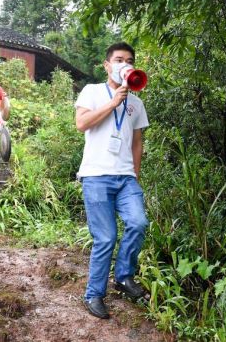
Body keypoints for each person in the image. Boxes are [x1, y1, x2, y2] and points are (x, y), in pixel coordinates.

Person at [75, 42, 150, 319]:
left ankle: (123, 276)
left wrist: (135, 177)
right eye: (118, 59)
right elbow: (81, 123)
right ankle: (94, 294)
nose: (124, 64)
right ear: (107, 65)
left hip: (126, 179)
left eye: (129, 60)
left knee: (138, 222)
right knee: (105, 237)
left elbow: (137, 143)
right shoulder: (92, 91)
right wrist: (113, 102)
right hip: (96, 176)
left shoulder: (137, 103)